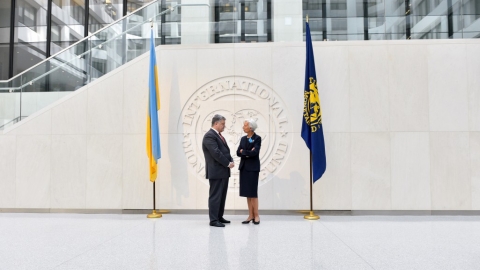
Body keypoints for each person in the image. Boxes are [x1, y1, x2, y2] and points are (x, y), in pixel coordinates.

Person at [202, 114, 234, 227]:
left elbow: (225, 151)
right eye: (222, 124)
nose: (224, 126)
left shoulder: (219, 135)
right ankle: (214, 220)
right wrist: (228, 163)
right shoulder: (209, 136)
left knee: (222, 195)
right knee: (215, 196)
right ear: (216, 123)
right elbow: (216, 153)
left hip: (223, 172)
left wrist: (231, 159)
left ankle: (219, 216)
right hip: (216, 172)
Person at [236, 119, 262, 225]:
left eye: (245, 126)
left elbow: (255, 153)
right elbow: (238, 152)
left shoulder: (257, 138)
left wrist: (244, 152)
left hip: (253, 168)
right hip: (244, 168)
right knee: (247, 193)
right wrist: (246, 152)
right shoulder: (243, 139)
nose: (243, 127)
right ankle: (250, 215)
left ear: (250, 128)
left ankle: (256, 215)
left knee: (253, 193)